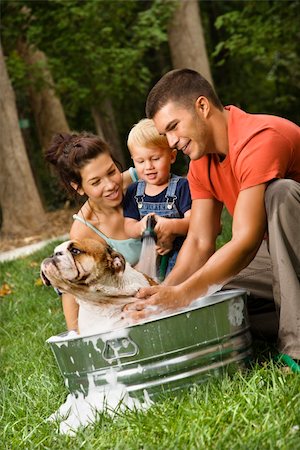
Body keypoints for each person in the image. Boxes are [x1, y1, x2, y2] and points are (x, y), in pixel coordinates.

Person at [124, 68, 300, 366]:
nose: (170, 141)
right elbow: (200, 242)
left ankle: (295, 349)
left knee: (280, 193)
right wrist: (164, 294)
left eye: (173, 127)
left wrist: (183, 294)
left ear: (202, 106)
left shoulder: (259, 139)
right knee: (212, 293)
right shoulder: (201, 163)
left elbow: (245, 241)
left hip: (290, 241)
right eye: (165, 133)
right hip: (282, 257)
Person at [45, 132, 142, 332]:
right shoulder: (83, 232)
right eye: (96, 182)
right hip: (138, 303)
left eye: (111, 171)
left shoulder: (141, 178)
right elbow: (73, 286)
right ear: (78, 187)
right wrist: (77, 336)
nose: (110, 185)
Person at [123, 118, 192, 278]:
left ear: (172, 156)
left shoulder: (181, 187)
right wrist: (140, 226)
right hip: (151, 256)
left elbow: (194, 222)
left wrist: (171, 226)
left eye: (155, 159)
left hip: (183, 256)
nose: (148, 166)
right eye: (140, 161)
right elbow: (128, 226)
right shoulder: (134, 191)